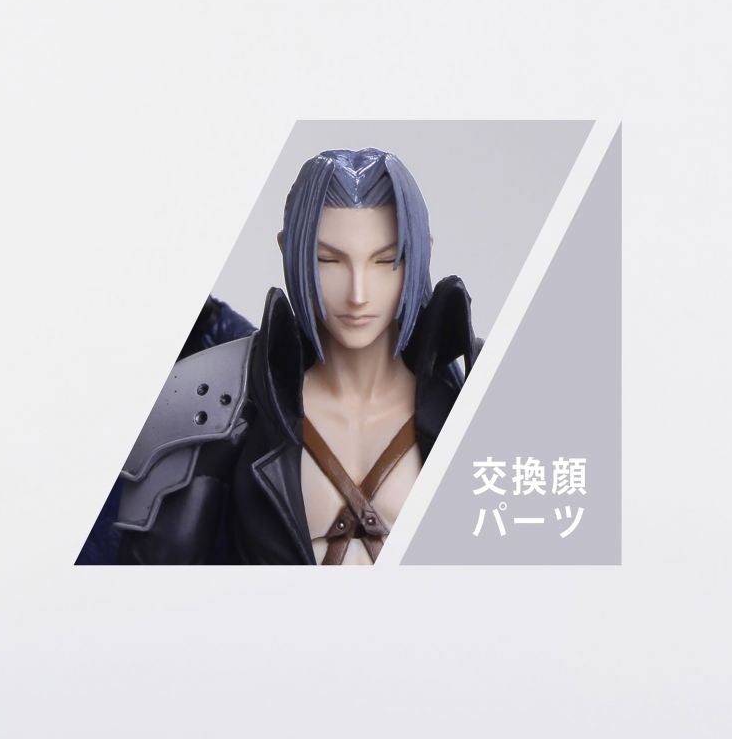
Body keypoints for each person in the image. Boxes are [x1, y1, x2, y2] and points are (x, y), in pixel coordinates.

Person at [111, 148, 476, 564]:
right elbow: (152, 583)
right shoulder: (212, 398)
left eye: (386, 261)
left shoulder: (476, 390)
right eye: (328, 260)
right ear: (288, 250)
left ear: (423, 253)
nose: (358, 294)